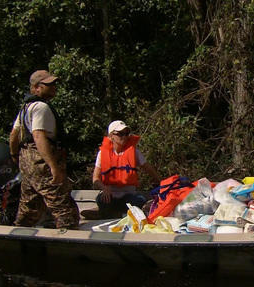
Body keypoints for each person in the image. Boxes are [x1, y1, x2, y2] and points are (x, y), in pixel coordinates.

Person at [9, 70, 80, 229]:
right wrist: (53, 167)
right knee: (64, 208)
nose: (54, 86)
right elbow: (39, 136)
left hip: (27, 162)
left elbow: (14, 135)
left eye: (54, 83)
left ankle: (18, 237)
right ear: (36, 88)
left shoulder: (26, 108)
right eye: (48, 84)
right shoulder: (41, 107)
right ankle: (70, 244)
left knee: (30, 206)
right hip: (42, 162)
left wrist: (15, 155)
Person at [90, 120, 160, 218]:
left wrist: (161, 183)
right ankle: (113, 213)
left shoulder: (134, 152)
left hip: (128, 196)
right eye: (120, 134)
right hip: (110, 196)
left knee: (139, 200)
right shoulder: (102, 154)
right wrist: (104, 188)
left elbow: (149, 169)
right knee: (101, 200)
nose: (124, 137)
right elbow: (95, 179)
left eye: (126, 134)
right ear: (111, 136)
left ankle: (111, 213)